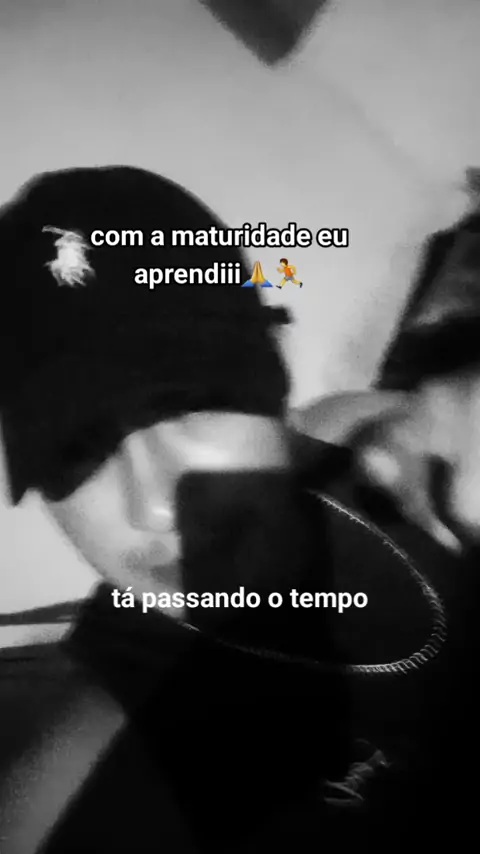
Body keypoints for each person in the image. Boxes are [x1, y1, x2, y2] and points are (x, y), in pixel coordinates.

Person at [0, 165, 463, 852]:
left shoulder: (398, 447)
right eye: (77, 450)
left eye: (192, 401)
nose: (156, 508)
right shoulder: (88, 774)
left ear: (275, 368)